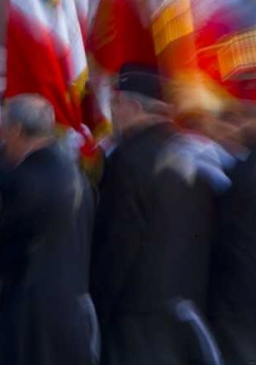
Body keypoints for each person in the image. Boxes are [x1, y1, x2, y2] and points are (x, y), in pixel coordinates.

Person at [90, 67, 219, 365]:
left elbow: (117, 245)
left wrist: (99, 306)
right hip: (188, 314)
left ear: (134, 107)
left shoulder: (128, 160)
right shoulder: (198, 153)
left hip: (136, 320)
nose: (113, 116)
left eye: (116, 106)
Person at [0, 95, 97, 365]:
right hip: (72, 314)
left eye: (4, 129)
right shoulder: (75, 175)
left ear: (16, 130)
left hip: (29, 320)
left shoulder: (22, 182)